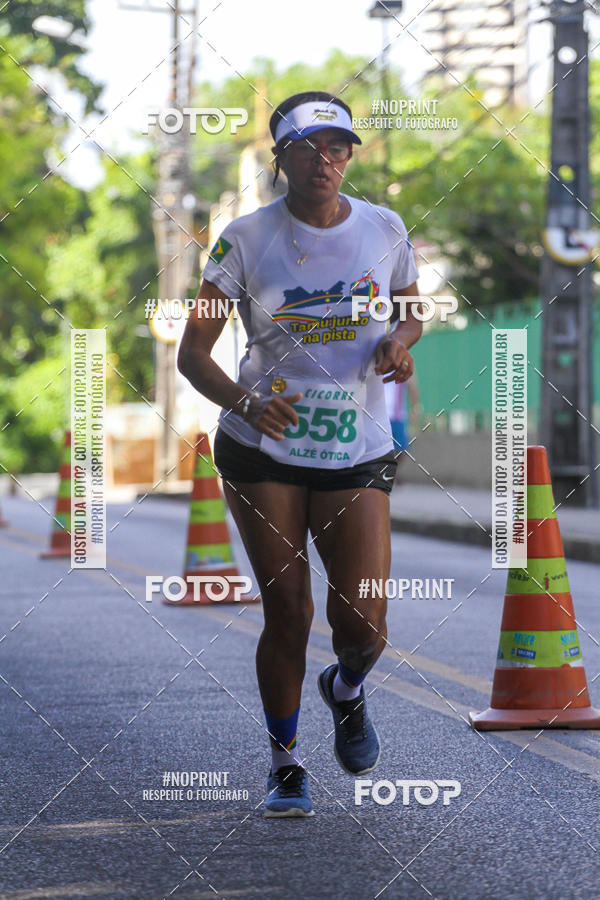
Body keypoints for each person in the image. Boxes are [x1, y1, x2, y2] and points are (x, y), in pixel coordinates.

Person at [178, 90, 421, 818]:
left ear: (350, 155)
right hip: (264, 447)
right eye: (310, 148)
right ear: (281, 158)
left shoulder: (384, 226)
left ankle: (345, 689)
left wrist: (400, 344)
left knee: (365, 626)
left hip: (356, 448)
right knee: (288, 610)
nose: (326, 160)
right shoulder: (245, 238)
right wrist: (246, 402)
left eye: (339, 147)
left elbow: (411, 310)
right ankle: (286, 764)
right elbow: (194, 353)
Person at [384, 373, 421, 480]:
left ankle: (391, 471)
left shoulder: (401, 364)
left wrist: (415, 408)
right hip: (379, 415)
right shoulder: (376, 363)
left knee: (401, 448)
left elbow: (412, 387)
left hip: (397, 415)